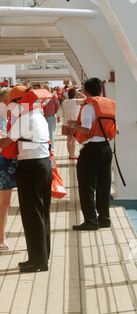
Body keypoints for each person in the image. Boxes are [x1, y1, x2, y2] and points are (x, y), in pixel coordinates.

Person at [0, 86, 52, 273]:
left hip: (31, 168)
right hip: (44, 165)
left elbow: (3, 144)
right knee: (42, 212)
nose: (10, 107)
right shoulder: (39, 116)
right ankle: (41, 256)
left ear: (19, 102)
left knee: (31, 214)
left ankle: (38, 261)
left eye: (12, 103)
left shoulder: (24, 119)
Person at [67, 78, 114, 230]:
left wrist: (74, 125)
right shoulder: (108, 105)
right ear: (100, 89)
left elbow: (86, 130)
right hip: (106, 148)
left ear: (85, 91)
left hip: (92, 150)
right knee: (104, 185)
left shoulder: (88, 106)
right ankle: (104, 219)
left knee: (87, 186)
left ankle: (91, 221)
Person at [0, 87, 18, 250]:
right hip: (4, 161)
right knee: (5, 202)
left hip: (20, 159)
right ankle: (1, 237)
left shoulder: (17, 117)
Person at [57, 87, 86, 159]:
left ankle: (70, 154)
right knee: (73, 140)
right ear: (75, 95)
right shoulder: (76, 101)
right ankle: (73, 155)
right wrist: (78, 92)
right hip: (73, 123)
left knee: (68, 139)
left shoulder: (65, 102)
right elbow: (85, 98)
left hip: (65, 122)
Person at [42, 85, 60, 150]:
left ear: (50, 90)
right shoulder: (42, 97)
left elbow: (57, 107)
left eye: (47, 89)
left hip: (51, 116)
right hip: (44, 117)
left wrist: (58, 117)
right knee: (44, 133)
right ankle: (47, 147)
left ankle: (51, 148)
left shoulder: (54, 96)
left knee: (51, 133)